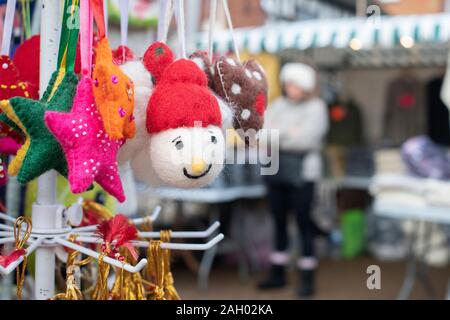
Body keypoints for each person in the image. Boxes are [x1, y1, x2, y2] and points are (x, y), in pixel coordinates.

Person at [258, 62, 329, 297]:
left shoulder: (317, 108)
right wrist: (289, 134)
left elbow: (306, 140)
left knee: (303, 224)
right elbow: (262, 133)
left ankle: (307, 278)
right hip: (275, 171)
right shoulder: (278, 105)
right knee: (278, 223)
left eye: (294, 84)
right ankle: (277, 274)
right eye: (287, 84)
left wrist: (278, 135)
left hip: (303, 175)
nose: (289, 88)